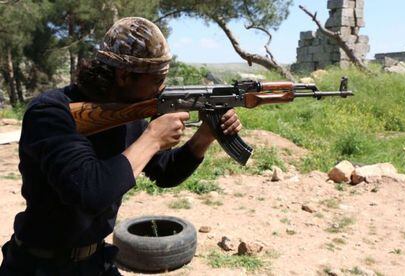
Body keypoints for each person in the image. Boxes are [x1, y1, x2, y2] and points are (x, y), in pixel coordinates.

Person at [0, 17, 242, 275]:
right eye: (158, 79)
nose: (161, 89)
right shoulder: (51, 113)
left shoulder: (130, 112)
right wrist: (152, 138)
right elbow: (90, 191)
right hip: (40, 266)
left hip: (96, 261)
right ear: (124, 75)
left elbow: (165, 172)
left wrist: (204, 137)